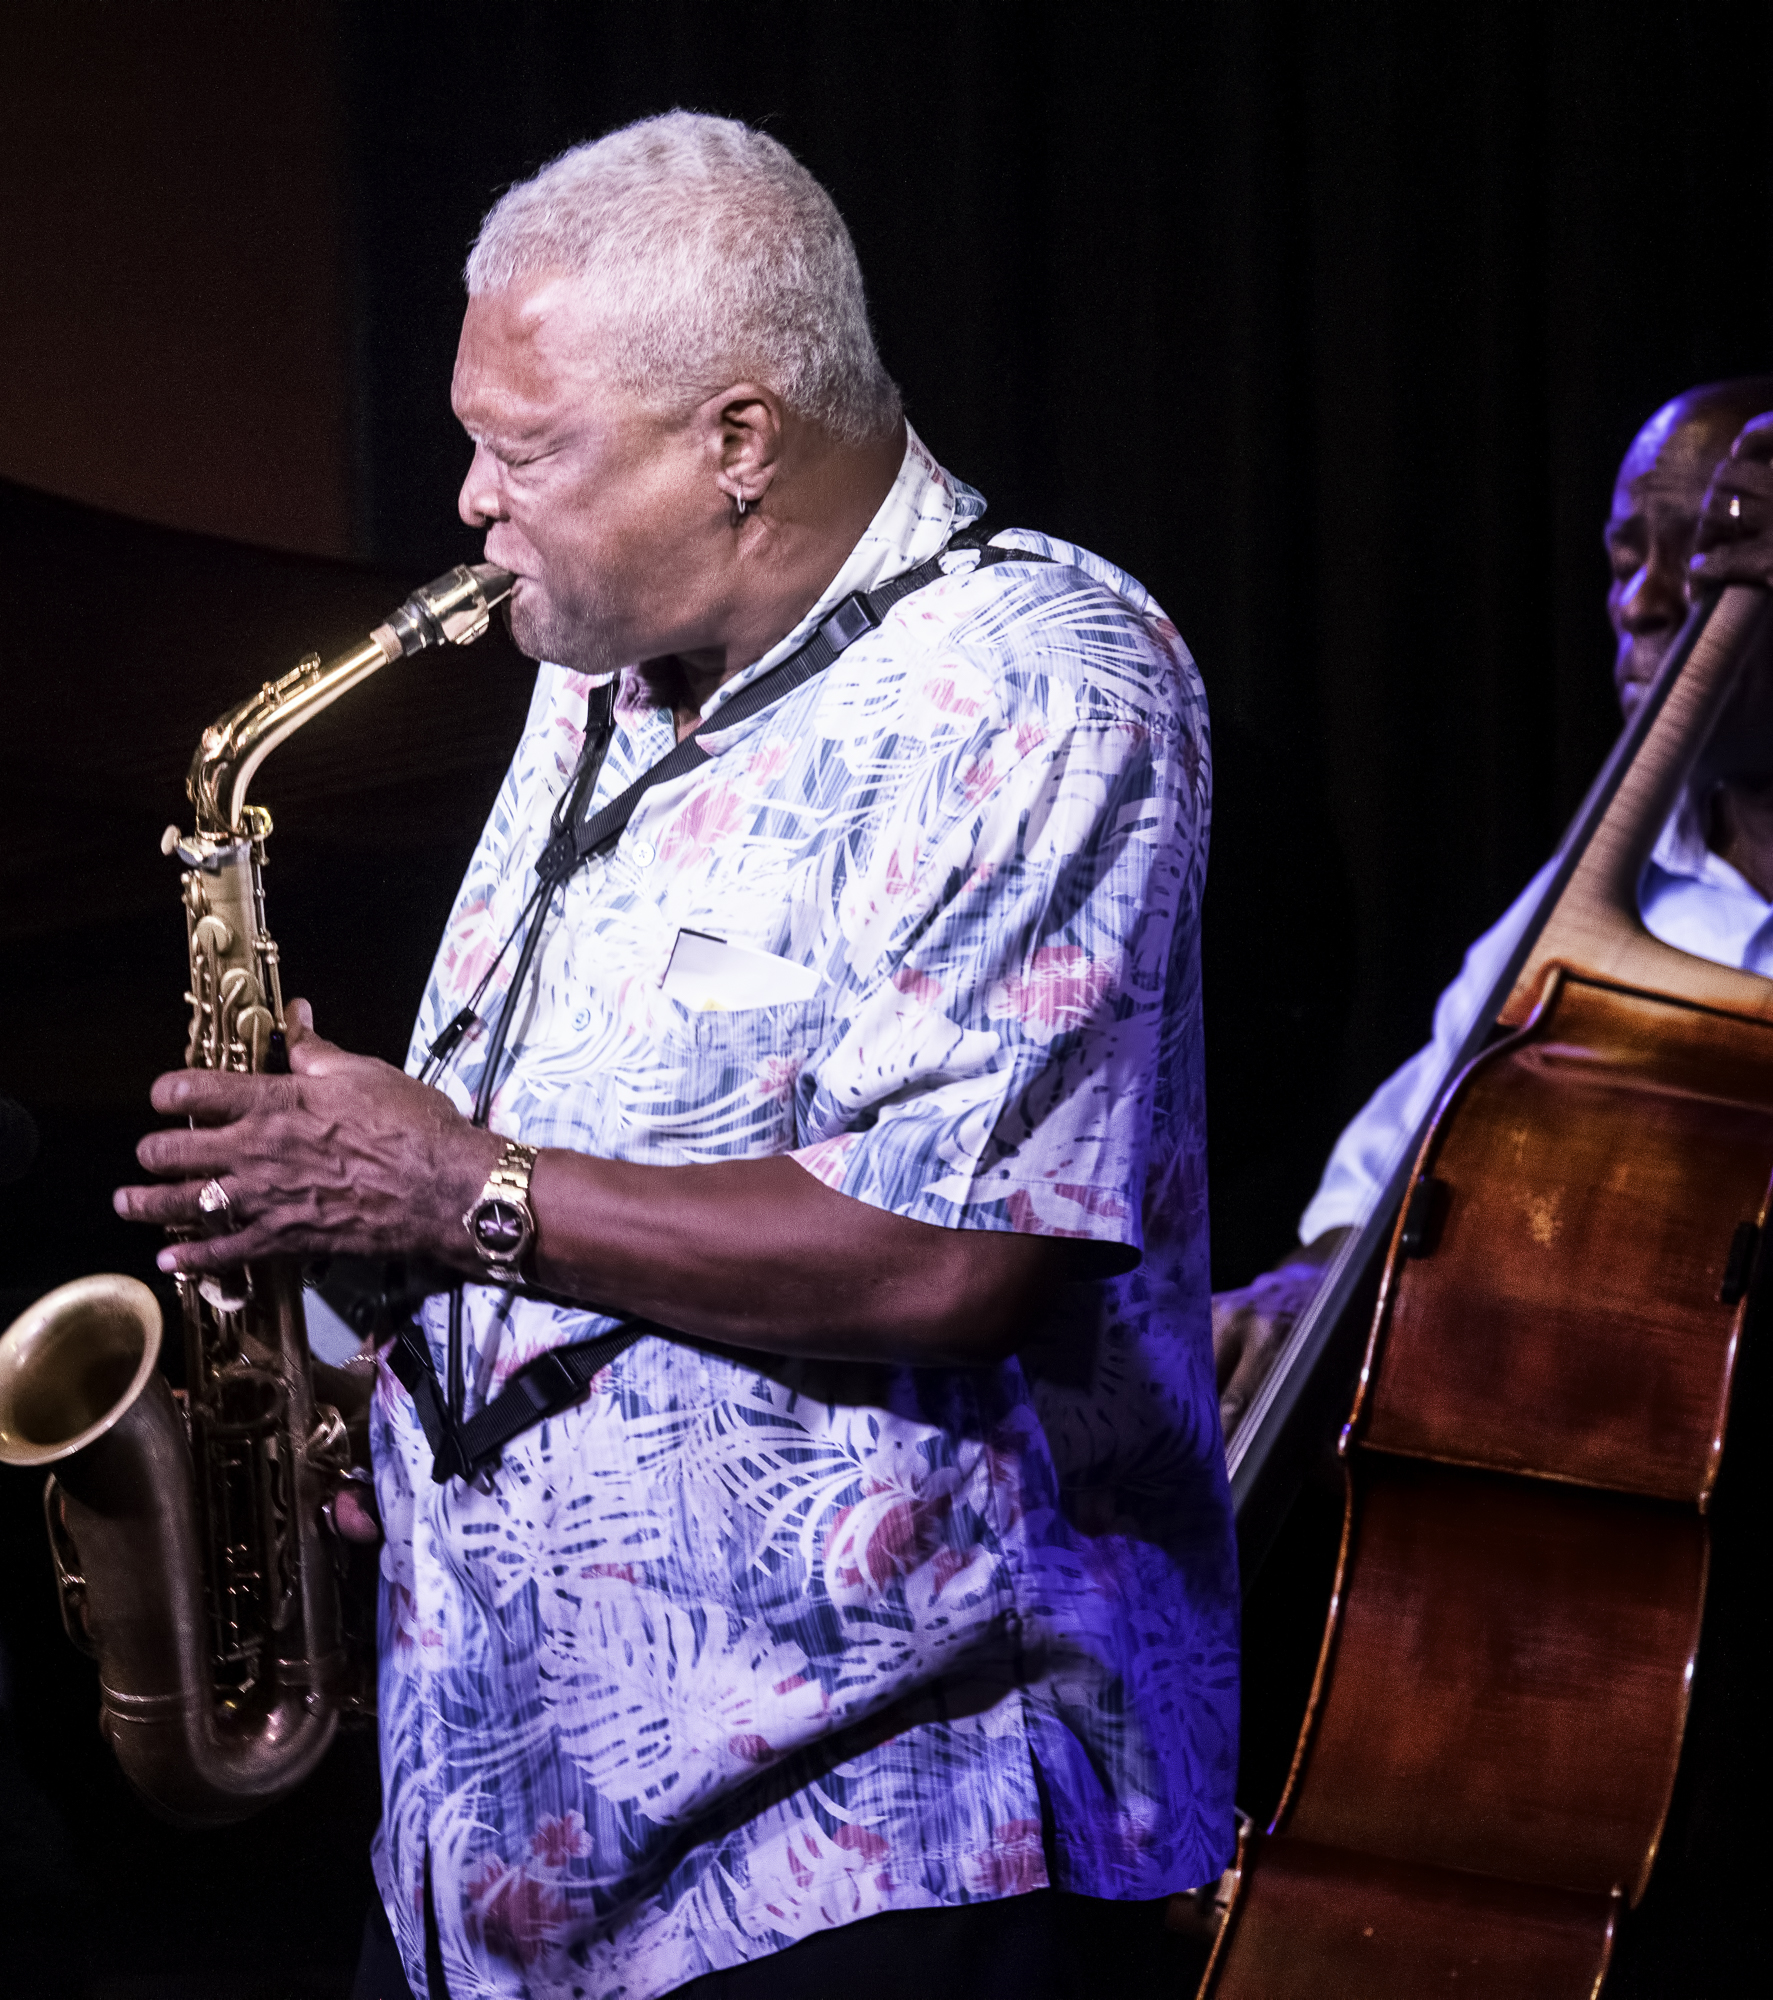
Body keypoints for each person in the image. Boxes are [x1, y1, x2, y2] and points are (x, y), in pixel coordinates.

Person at [117, 113, 1231, 2000]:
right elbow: (560, 1162)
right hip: (539, 1858)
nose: (468, 501)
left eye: (521, 452)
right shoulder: (594, 672)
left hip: (882, 1848)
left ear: (736, 442)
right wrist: (354, 1265)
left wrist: (447, 1186)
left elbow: (949, 1259)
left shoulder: (1037, 682)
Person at [1213, 378, 1773, 1435]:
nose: (1644, 601)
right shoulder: (1596, 886)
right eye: (1627, 560)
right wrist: (1315, 1280)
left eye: (1704, 555)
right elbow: (1413, 1144)